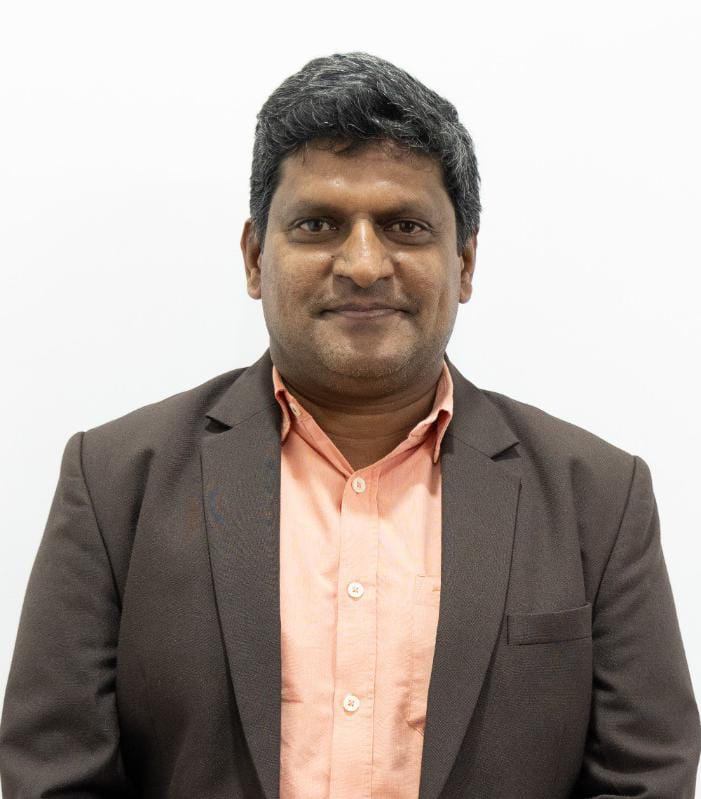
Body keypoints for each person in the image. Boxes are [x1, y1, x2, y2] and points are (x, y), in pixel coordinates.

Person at [0, 51, 699, 799]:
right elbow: (54, 774)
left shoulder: (597, 498)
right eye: (317, 224)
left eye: (404, 226)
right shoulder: (114, 483)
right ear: (254, 258)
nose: (364, 264)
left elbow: (646, 776)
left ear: (464, 263)